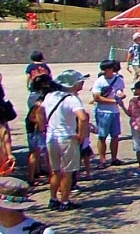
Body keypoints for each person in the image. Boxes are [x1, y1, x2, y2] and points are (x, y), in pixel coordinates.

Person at [43, 70, 89, 210]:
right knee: (68, 172)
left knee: (55, 171)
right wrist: (81, 135)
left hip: (51, 137)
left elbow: (39, 111)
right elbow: (82, 117)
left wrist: (43, 127)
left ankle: (53, 199)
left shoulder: (50, 96)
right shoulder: (72, 99)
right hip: (67, 137)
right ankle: (64, 201)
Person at [91, 60, 127, 168]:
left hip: (115, 111)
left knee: (115, 136)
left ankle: (114, 158)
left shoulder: (119, 80)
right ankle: (102, 160)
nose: (105, 71)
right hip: (102, 111)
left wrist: (121, 95)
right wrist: (113, 101)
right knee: (102, 136)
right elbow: (97, 97)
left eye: (107, 69)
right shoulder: (99, 81)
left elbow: (120, 91)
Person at [23, 74, 54, 186]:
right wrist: (44, 127)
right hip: (36, 127)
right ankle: (33, 178)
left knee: (36, 152)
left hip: (32, 126)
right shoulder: (39, 98)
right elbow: (35, 116)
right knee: (37, 153)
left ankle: (36, 173)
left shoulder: (32, 95)